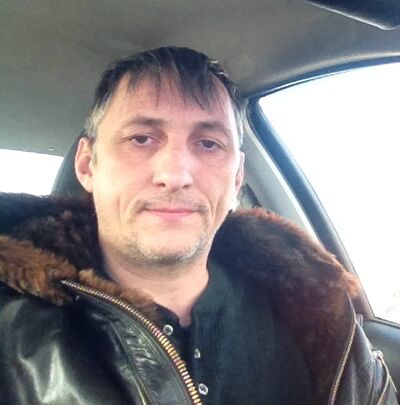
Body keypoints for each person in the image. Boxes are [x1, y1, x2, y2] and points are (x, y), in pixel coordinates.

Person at [0, 46, 397, 405]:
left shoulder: (319, 314)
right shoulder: (13, 333)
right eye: (141, 139)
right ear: (88, 165)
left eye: (208, 143)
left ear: (237, 177)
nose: (175, 175)